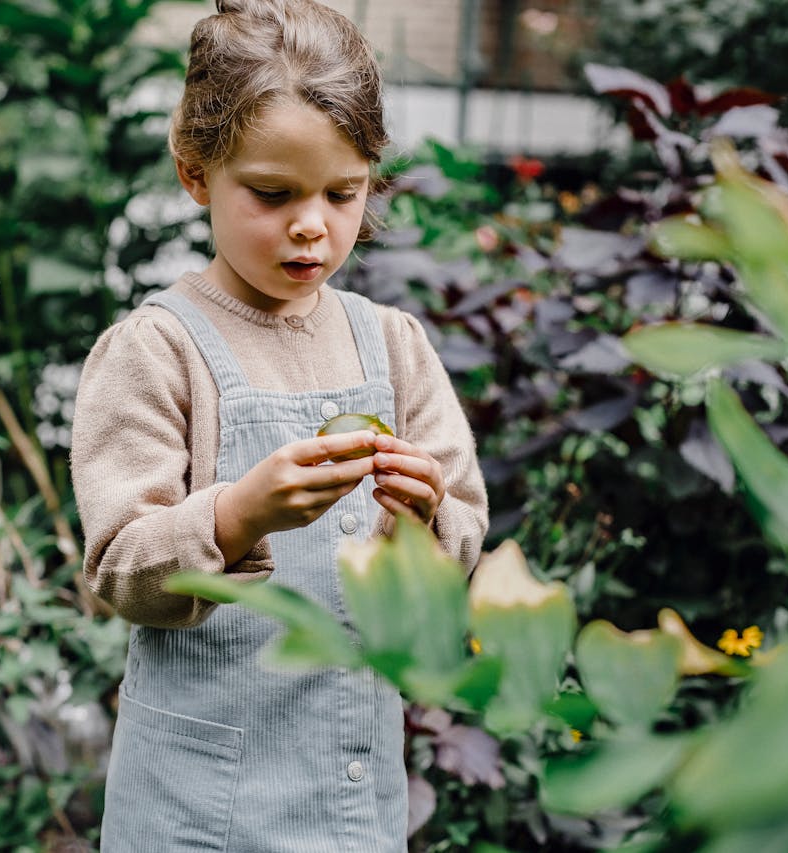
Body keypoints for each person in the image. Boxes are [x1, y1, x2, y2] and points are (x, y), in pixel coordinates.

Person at [70, 1, 489, 849]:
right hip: (196, 807)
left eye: (344, 192)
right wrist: (236, 516)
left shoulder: (394, 346)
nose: (313, 224)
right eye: (273, 193)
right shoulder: (156, 351)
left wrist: (424, 522)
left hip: (349, 790)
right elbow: (121, 567)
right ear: (196, 173)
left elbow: (461, 538)